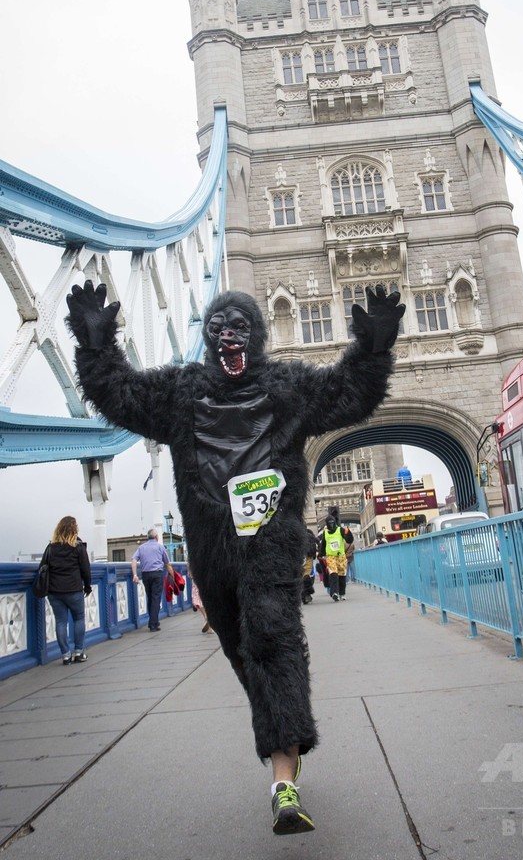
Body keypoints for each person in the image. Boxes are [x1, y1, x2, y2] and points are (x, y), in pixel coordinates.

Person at [66, 279, 403, 835]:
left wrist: (372, 349)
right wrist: (97, 345)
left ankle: (282, 780)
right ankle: (283, 724)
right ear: (206, 337)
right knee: (237, 643)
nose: (230, 336)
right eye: (220, 327)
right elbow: (120, 394)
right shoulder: (179, 391)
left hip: (270, 540)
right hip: (211, 550)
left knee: (271, 636)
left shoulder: (287, 387)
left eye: (240, 326)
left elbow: (350, 393)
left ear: (259, 334)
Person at [45, 515, 92, 665]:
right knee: (79, 619)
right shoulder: (78, 547)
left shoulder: (51, 547)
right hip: (74, 589)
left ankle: (65, 655)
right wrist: (88, 586)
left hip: (54, 591)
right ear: (74, 529)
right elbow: (86, 569)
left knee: (60, 622)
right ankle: (78, 652)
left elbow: (43, 568)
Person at [131, 528, 174, 631]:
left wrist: (135, 575)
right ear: (156, 537)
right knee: (155, 598)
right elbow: (167, 564)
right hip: (157, 575)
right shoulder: (160, 547)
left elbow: (133, 560)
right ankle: (153, 623)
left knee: (150, 598)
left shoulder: (141, 548)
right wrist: (172, 574)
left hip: (145, 575)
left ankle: (154, 621)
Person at [317, 507, 351, 601]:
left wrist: (348, 534)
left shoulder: (340, 530)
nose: (331, 525)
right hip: (331, 556)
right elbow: (323, 545)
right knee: (333, 574)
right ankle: (334, 593)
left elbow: (349, 540)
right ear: (327, 524)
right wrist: (320, 554)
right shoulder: (325, 533)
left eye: (332, 523)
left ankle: (342, 593)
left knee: (342, 575)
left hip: (341, 556)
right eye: (329, 523)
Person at [188, 564, 213, 633]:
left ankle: (206, 617)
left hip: (197, 576)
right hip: (208, 576)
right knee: (207, 599)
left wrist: (190, 571)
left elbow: (189, 562)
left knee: (197, 600)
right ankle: (209, 626)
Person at [302, 529, 317, 605]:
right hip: (299, 559)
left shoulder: (309, 535)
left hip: (307, 558)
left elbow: (313, 545)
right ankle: (306, 594)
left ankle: (306, 594)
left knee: (307, 577)